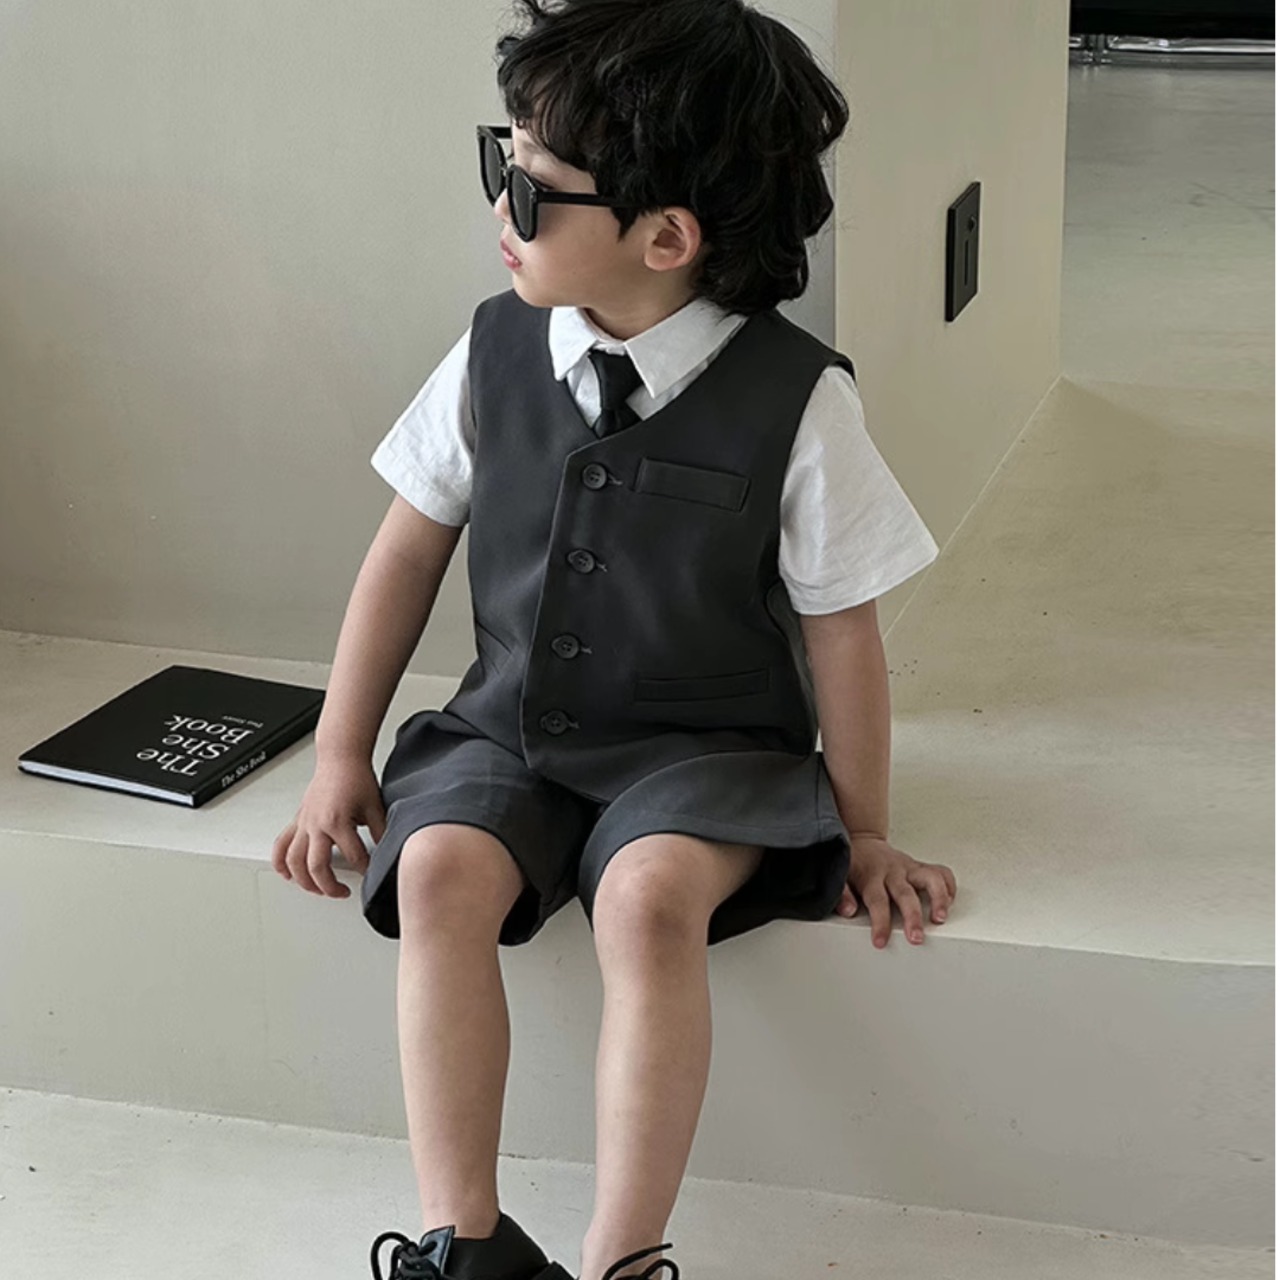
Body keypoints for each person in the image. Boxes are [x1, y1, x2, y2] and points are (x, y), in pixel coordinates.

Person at [272, 2, 957, 1278]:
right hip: (506, 731)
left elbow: (842, 628)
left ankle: (622, 1257)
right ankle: (465, 1240)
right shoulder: (490, 350)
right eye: (503, 160)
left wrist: (862, 829)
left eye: (533, 187)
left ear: (665, 237)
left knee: (644, 902)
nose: (502, 204)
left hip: (704, 754)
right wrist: (337, 752)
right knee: (436, 871)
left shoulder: (797, 400)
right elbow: (403, 555)